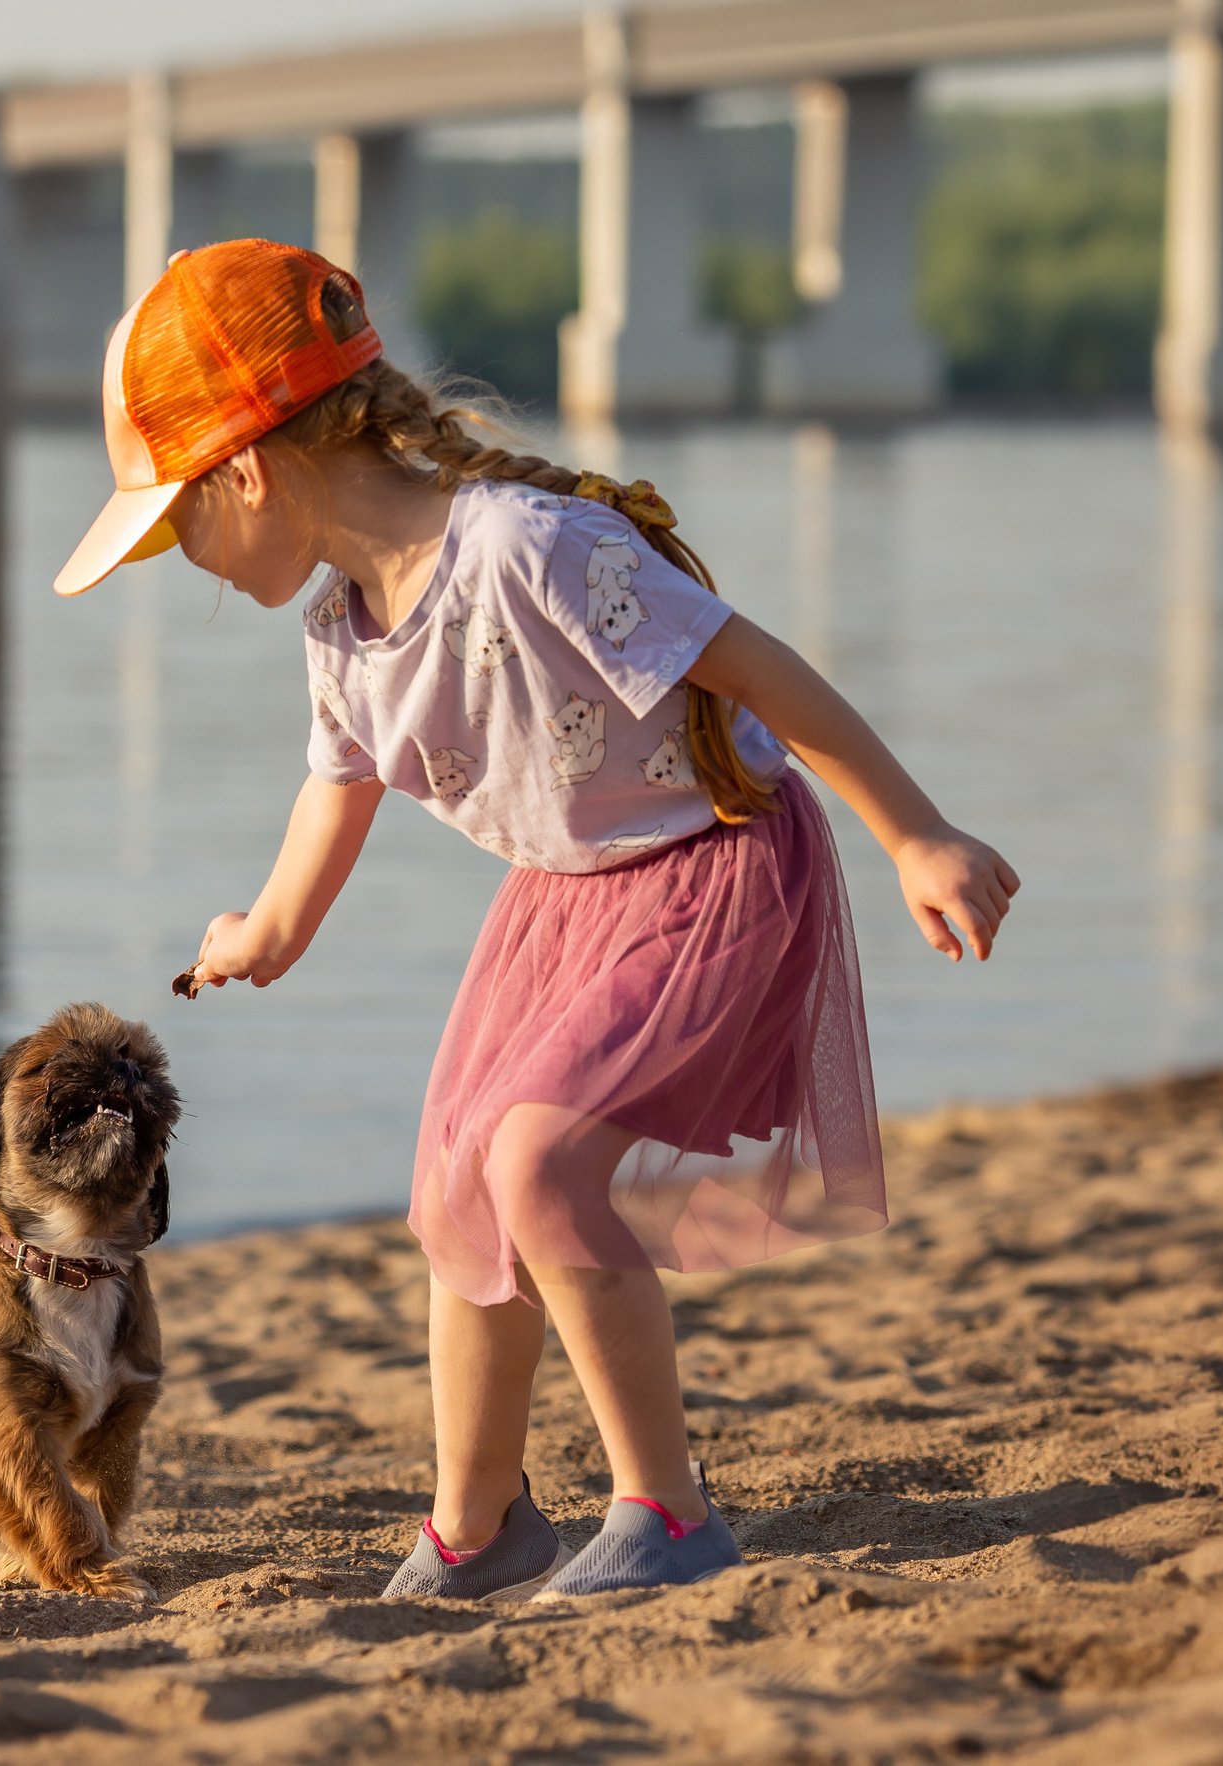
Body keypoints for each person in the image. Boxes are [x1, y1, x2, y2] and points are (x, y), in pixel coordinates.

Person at [53, 240, 1017, 1600]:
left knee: (544, 1164)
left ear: (250, 469)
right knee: (456, 1186)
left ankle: (668, 1513)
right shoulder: (341, 626)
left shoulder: (524, 547)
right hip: (563, 904)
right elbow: (338, 787)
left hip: (708, 866)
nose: (190, 558)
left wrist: (916, 831)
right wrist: (264, 930)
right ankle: (481, 1522)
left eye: (181, 525)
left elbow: (762, 669)